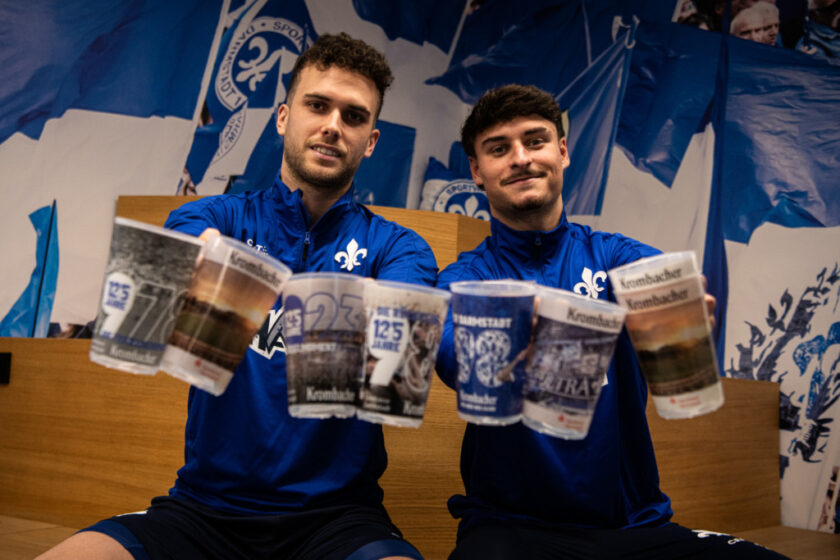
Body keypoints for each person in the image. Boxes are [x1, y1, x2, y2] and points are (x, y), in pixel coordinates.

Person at [38, 33, 436, 560]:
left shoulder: (400, 248)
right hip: (202, 511)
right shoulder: (213, 217)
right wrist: (191, 265)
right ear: (282, 116)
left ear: (371, 140)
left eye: (354, 116)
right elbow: (152, 289)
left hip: (339, 521)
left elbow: (399, 369)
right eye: (317, 105)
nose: (333, 126)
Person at [434, 84, 790, 559]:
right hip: (510, 531)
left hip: (633, 528)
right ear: (477, 171)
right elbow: (450, 353)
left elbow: (665, 296)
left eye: (535, 141)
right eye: (499, 149)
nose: (520, 158)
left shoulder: (616, 255)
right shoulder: (466, 279)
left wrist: (682, 317)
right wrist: (515, 328)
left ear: (562, 152)